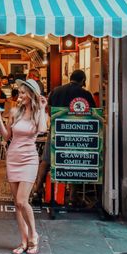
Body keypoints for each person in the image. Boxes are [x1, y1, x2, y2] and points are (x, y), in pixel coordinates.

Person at [0, 79, 47, 254]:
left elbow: (42, 129)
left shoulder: (39, 113)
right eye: (20, 92)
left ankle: (33, 235)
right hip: (13, 157)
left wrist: (42, 107)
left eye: (24, 93)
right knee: (16, 204)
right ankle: (23, 240)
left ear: (32, 94)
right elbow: (7, 136)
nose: (20, 95)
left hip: (29, 159)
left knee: (22, 201)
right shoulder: (15, 112)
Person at [33, 69, 96, 202]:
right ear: (83, 81)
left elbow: (49, 110)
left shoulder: (56, 91)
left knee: (46, 160)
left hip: (56, 129)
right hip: (77, 133)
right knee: (74, 161)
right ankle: (73, 195)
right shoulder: (85, 94)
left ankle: (37, 189)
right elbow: (92, 114)